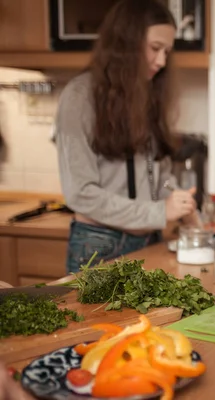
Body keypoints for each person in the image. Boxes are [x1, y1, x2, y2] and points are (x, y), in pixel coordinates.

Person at [55, 0, 197, 274]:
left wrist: (185, 205)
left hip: (149, 240)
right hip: (100, 245)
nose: (162, 61)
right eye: (155, 49)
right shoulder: (79, 97)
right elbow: (80, 193)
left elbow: (159, 175)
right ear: (125, 43)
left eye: (167, 51)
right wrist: (159, 212)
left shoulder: (146, 94)